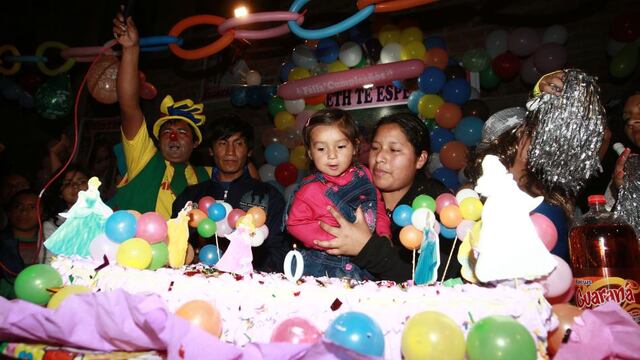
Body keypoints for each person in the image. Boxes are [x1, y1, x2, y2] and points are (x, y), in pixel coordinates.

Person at [466, 69, 613, 262]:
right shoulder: (480, 199)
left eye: (540, 133)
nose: (541, 141)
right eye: (530, 134)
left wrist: (541, 91)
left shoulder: (558, 190)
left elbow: (603, 135)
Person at [313, 113, 460, 283]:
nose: (380, 158)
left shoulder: (436, 205)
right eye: (375, 148)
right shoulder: (351, 192)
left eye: (394, 150)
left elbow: (436, 274)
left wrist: (367, 248)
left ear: (420, 159)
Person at [109, 9, 211, 219]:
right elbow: (128, 106)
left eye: (182, 132)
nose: (173, 136)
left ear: (195, 142)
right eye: (167, 131)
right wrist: (131, 49)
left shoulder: (208, 176)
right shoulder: (144, 159)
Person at [173, 115, 287, 273]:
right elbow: (175, 243)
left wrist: (247, 263)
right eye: (222, 143)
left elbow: (278, 250)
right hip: (198, 283)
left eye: (239, 143)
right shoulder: (190, 196)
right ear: (211, 150)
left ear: (249, 151)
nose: (230, 152)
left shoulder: (268, 196)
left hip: (249, 285)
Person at [286, 109, 391, 280]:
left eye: (341, 146)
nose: (332, 155)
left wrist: (383, 233)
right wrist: (333, 240)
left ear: (355, 146)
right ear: (310, 153)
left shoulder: (364, 175)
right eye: (321, 149)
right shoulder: (309, 190)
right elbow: (295, 224)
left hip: (365, 263)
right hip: (325, 270)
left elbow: (377, 205)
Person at [42, 166, 90, 238]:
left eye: (82, 182)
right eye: (68, 183)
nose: (75, 186)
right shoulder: (52, 225)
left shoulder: (106, 216)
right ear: (60, 192)